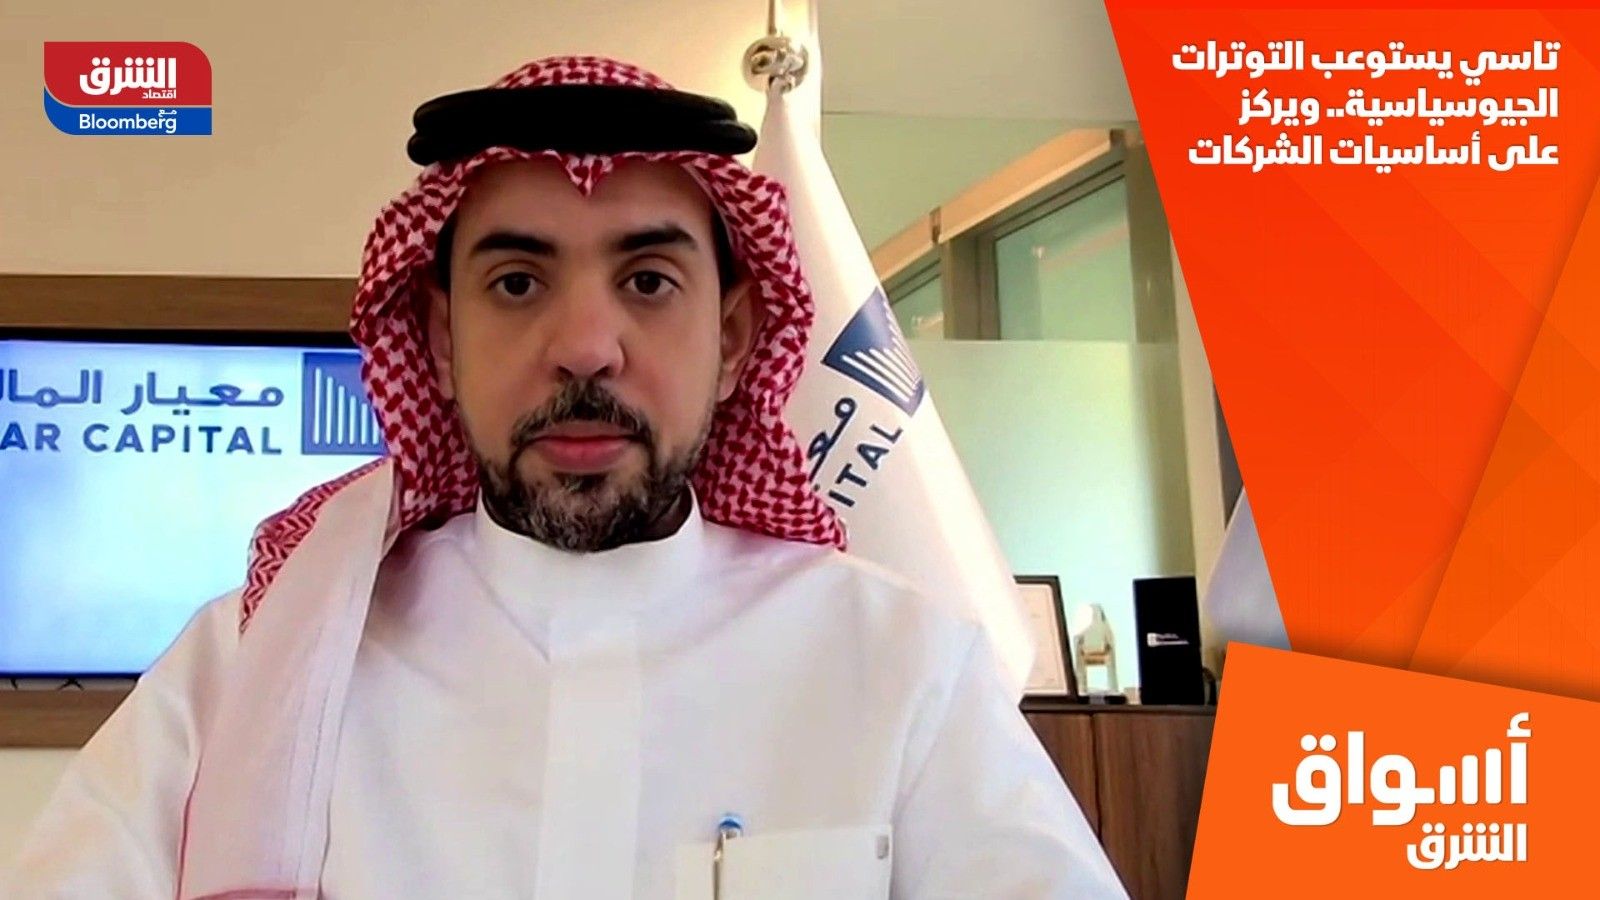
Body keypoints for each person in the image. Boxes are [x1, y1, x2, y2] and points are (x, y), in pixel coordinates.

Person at [4, 56, 1125, 899]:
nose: (586, 347)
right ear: (438, 335)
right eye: (516, 284)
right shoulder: (250, 673)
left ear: (736, 336)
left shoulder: (899, 668)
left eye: (648, 281)